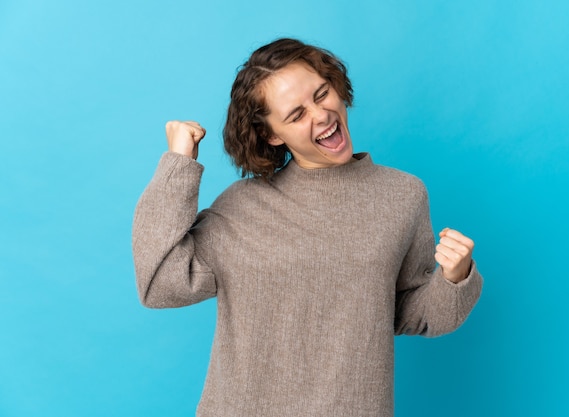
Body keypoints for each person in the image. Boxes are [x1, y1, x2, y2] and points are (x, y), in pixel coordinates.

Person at [132, 38, 483, 417]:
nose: (321, 115)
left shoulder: (403, 195)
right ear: (272, 134)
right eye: (296, 114)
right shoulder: (242, 205)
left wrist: (455, 278)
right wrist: (178, 164)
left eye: (322, 94)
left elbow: (408, 312)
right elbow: (160, 284)